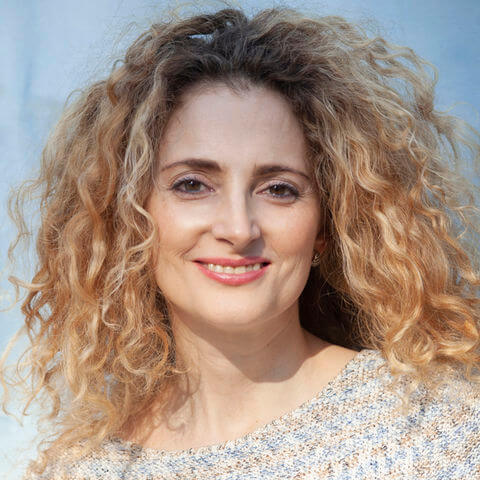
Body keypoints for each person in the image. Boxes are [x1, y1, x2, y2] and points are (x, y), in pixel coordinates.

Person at [2, 4, 480, 479]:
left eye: (279, 189)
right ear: (128, 217)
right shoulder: (80, 472)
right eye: (192, 184)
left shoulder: (441, 429)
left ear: (326, 227)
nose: (238, 228)